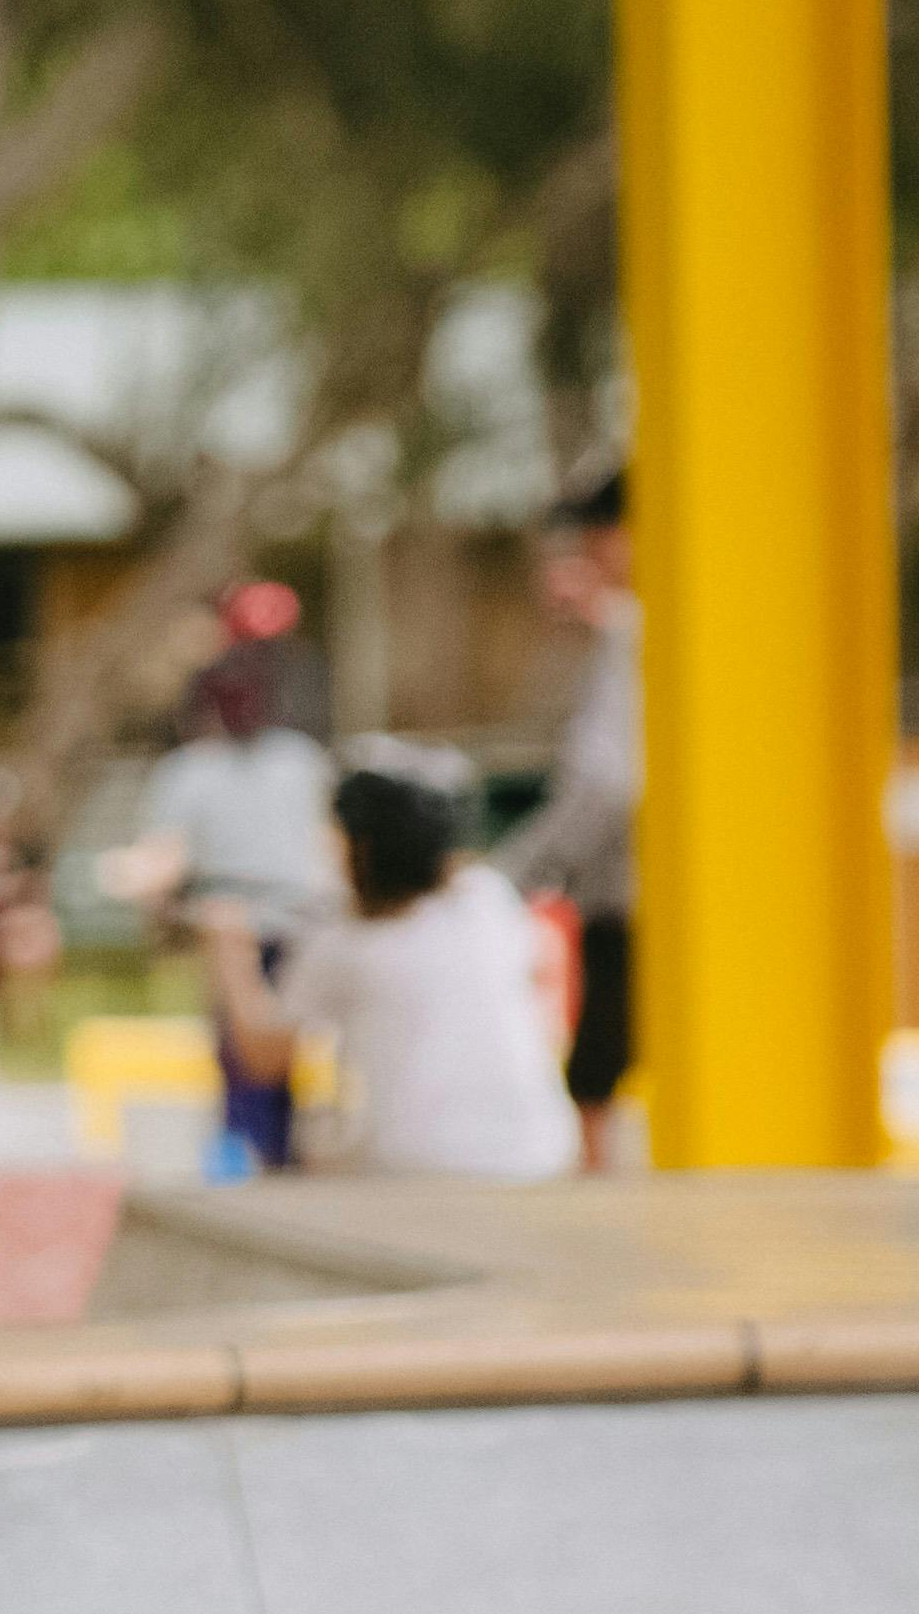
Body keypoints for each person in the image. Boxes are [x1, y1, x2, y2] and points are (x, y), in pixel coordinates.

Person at [227, 765, 581, 1181]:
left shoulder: (343, 947)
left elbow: (263, 1056)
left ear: (360, 851)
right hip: (541, 1150)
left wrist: (227, 949)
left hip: (419, 1165)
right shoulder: (488, 899)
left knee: (320, 1159)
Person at [103, 631, 345, 1169]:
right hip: (234, 922)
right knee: (246, 1050)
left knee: (279, 1046)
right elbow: (166, 853)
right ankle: (254, 1148)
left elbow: (326, 842)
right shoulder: (197, 769)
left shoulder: (295, 761)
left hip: (294, 921)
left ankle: (271, 1149)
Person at [500, 470, 641, 1167]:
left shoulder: (631, 639)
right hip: (648, 888)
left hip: (633, 892)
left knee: (596, 1076)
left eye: (596, 538)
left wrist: (511, 877)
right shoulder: (633, 633)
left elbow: (606, 781)